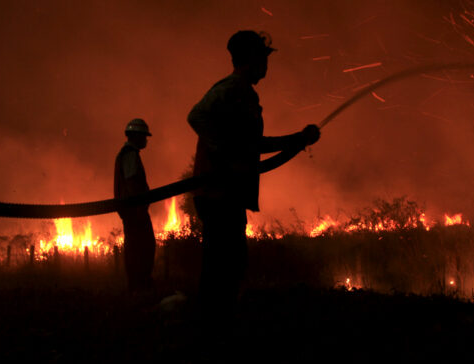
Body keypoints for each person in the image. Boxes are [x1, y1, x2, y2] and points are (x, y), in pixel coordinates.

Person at [188, 30, 320, 321]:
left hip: (227, 192)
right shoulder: (232, 88)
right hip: (217, 192)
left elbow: (252, 145)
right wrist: (222, 154)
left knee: (230, 262)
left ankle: (216, 322)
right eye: (263, 58)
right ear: (250, 58)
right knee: (222, 263)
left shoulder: (244, 93)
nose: (267, 65)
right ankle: (211, 328)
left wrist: (297, 139)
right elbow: (196, 116)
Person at [114, 118, 157, 291]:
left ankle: (137, 284)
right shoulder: (130, 155)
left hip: (131, 210)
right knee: (143, 247)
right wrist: (139, 205)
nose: (146, 140)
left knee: (136, 246)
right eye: (144, 136)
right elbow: (132, 182)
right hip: (135, 210)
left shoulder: (127, 154)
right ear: (136, 136)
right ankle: (140, 284)